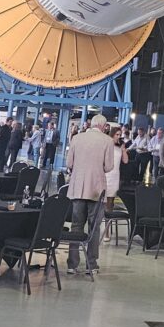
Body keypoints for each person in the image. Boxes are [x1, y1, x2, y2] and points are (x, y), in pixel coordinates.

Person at [65, 115, 116, 274]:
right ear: (103, 126)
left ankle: (72, 264)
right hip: (96, 189)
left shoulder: (76, 138)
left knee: (76, 225)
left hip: (78, 188)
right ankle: (91, 265)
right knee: (94, 228)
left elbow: (69, 163)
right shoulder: (107, 141)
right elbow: (109, 167)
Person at [104, 125, 129, 233]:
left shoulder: (120, 146)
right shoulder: (107, 144)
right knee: (103, 203)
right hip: (106, 174)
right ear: (112, 135)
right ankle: (102, 228)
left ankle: (107, 230)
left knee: (110, 203)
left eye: (120, 135)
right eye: (117, 135)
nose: (118, 137)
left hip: (115, 176)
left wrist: (123, 150)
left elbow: (126, 161)